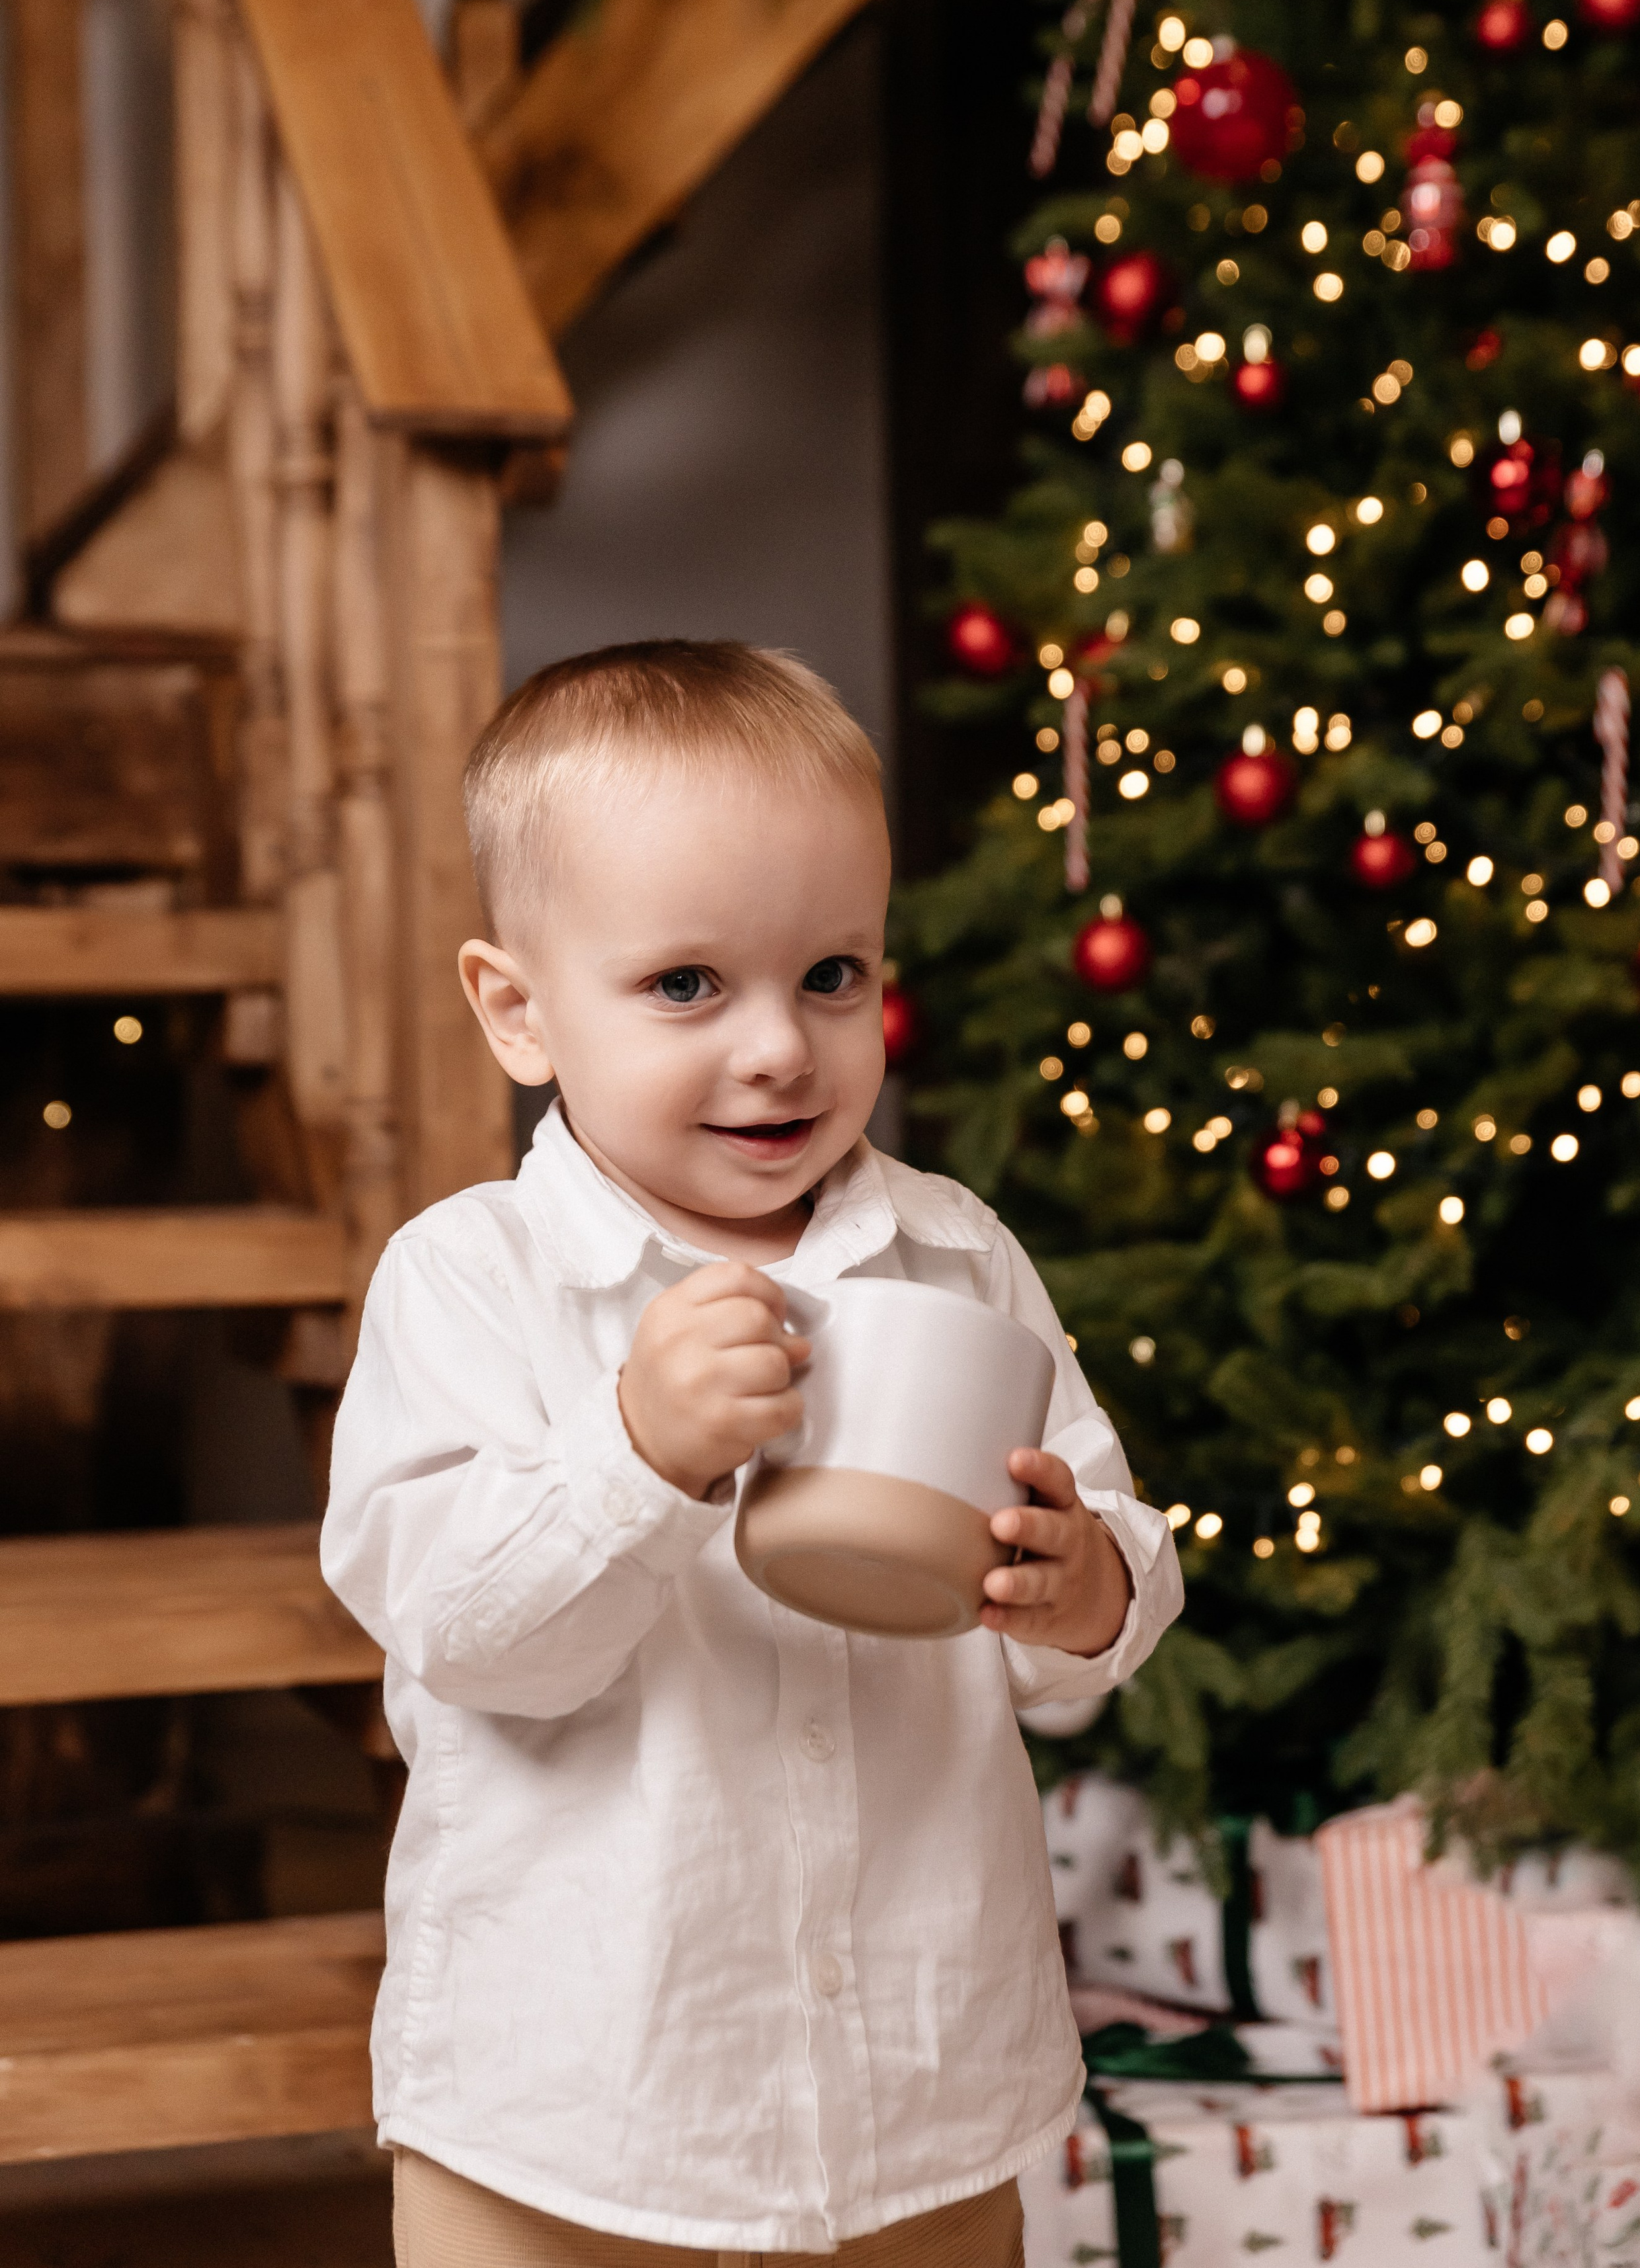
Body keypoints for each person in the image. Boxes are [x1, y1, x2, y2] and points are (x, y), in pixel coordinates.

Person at [321, 640, 1182, 2268]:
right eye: (686, 986)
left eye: (831, 976)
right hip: (573, 2122)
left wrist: (1088, 1586)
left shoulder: (956, 1254)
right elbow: (465, 1636)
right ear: (518, 1010)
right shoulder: (470, 1282)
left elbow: (1103, 1556)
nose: (781, 1048)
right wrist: (633, 1457)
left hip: (916, 2100)